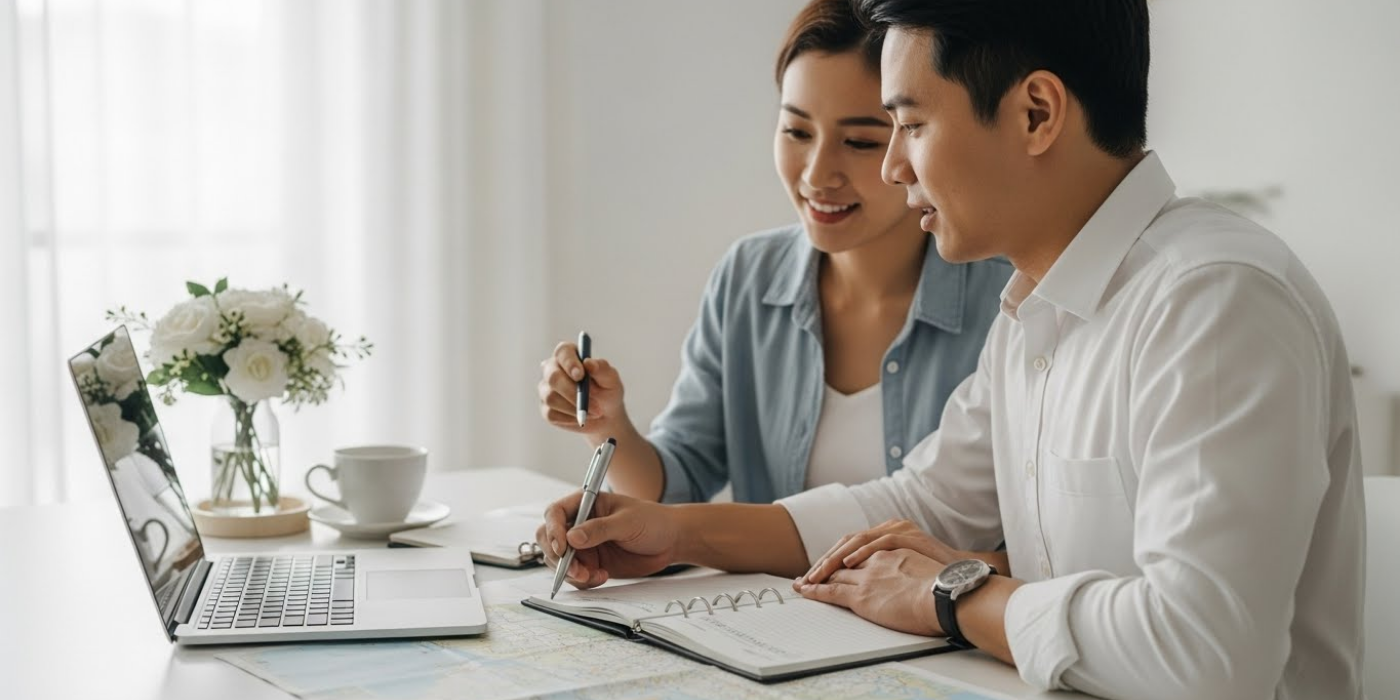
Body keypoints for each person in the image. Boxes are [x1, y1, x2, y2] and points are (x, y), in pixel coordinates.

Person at [534, 1, 1367, 698]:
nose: (895, 168)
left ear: (1036, 112)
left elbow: (1207, 655)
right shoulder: (1038, 308)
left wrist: (952, 594)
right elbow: (921, 504)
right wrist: (672, 533)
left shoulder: (1214, 300)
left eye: (908, 125)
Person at [535, 0, 1011, 504]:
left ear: (912, 138)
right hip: (772, 589)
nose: (815, 175)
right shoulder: (747, 277)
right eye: (797, 132)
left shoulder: (1003, 298)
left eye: (859, 142)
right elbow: (674, 490)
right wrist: (608, 426)